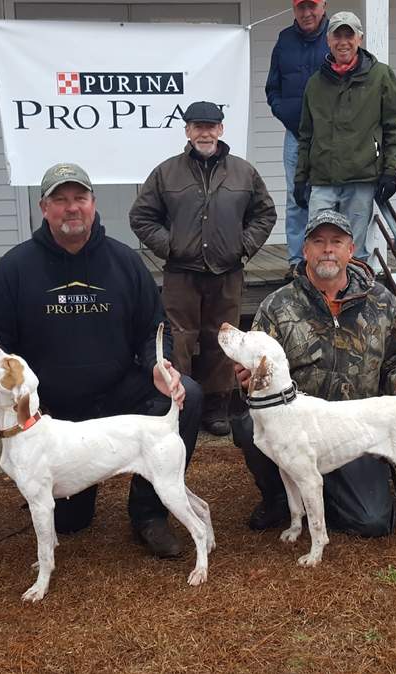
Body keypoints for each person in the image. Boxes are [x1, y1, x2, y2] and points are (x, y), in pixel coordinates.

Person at [0, 162, 204, 559]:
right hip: (51, 413)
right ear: (44, 208)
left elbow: (154, 328)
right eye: (60, 200)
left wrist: (158, 364)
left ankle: (149, 513)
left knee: (190, 395)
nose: (72, 207)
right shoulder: (15, 267)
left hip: (117, 395)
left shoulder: (125, 262)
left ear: (94, 203)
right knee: (70, 522)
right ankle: (64, 498)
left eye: (79, 197)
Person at [231, 209, 396, 536]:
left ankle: (322, 491)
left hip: (355, 428)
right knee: (252, 424)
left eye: (336, 242)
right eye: (318, 242)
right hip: (297, 426)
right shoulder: (277, 305)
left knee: (371, 522)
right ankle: (280, 498)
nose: (327, 250)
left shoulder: (381, 301)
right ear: (305, 250)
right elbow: (254, 371)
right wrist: (247, 380)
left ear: (351, 250)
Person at [130, 101, 277, 437]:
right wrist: (170, 246)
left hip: (227, 273)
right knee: (178, 339)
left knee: (221, 340)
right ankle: (180, 403)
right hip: (181, 273)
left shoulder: (244, 172)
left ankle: (216, 407)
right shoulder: (166, 172)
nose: (205, 133)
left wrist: (243, 246)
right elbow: (141, 216)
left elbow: (265, 214)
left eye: (211, 127)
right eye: (198, 126)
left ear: (221, 130)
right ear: (187, 131)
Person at [293, 11, 396, 263]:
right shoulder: (315, 83)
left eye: (349, 35)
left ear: (360, 39)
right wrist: (300, 177)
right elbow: (306, 134)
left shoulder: (381, 76)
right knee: (318, 246)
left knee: (354, 250)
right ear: (328, 40)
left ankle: (357, 289)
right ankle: (319, 289)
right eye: (337, 35)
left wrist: (391, 170)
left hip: (361, 178)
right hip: (322, 180)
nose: (343, 42)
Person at [264, 0, 329, 280]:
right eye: (301, 8)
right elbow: (273, 87)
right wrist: (285, 113)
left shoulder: (336, 37)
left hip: (330, 138)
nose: (307, 13)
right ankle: (296, 260)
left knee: (326, 196)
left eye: (312, 6)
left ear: (323, 5)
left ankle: (326, 260)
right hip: (295, 135)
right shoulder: (284, 40)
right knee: (296, 197)